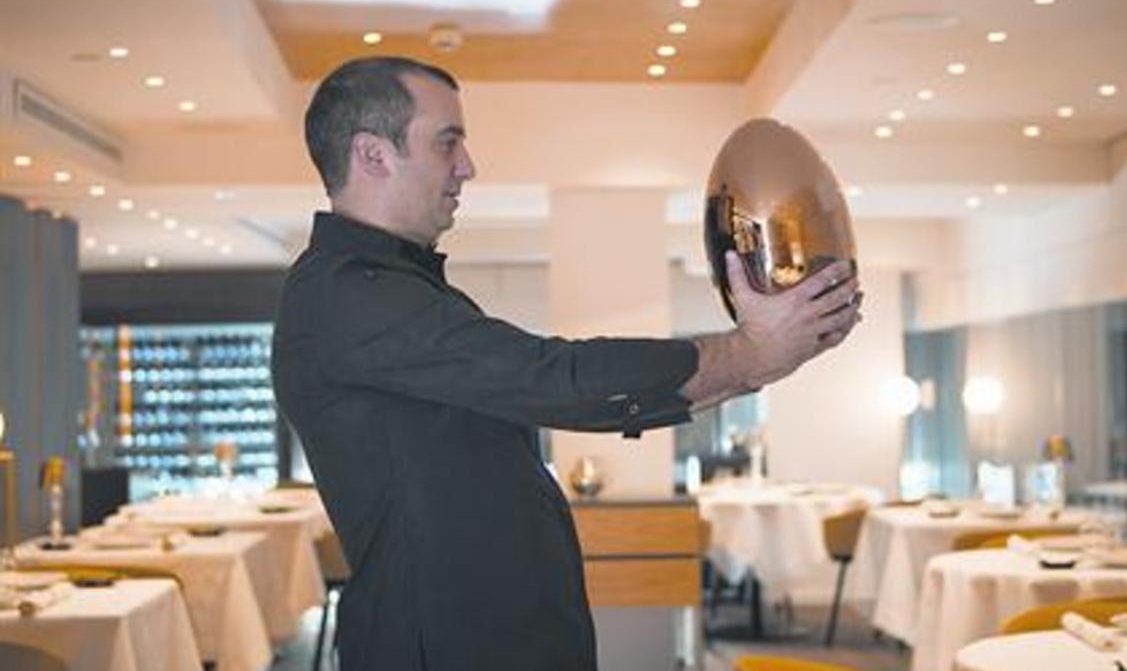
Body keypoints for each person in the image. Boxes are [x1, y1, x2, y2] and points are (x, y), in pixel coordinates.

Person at [271, 56, 861, 671]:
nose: (467, 167)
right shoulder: (347, 296)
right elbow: (553, 378)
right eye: (448, 144)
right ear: (373, 155)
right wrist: (748, 356)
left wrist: (757, 364)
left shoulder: (397, 291)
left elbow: (540, 389)